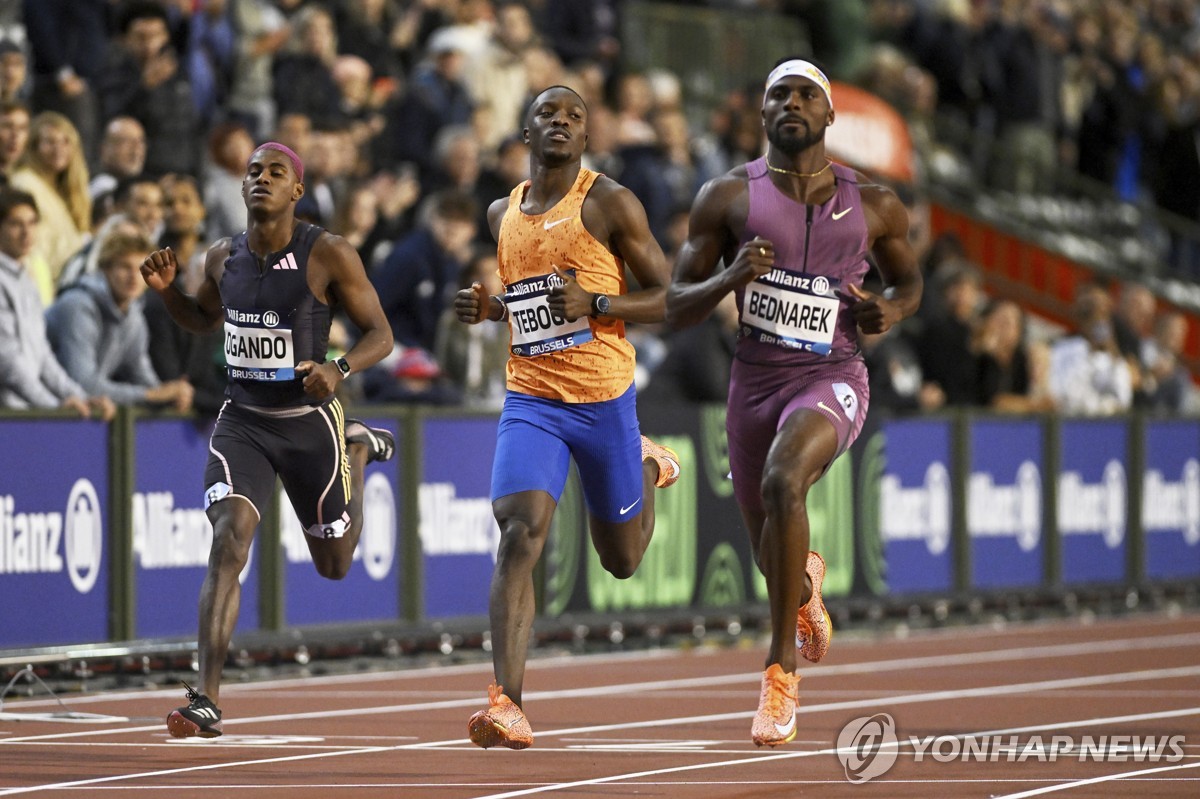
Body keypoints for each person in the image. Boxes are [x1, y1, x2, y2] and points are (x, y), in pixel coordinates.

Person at [664, 59, 922, 747]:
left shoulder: (876, 203)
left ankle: (779, 674)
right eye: (780, 93)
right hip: (752, 384)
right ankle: (804, 589)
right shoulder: (725, 198)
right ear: (762, 113)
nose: (793, 103)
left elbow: (909, 284)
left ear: (830, 115)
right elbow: (674, 307)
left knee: (785, 478)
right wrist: (728, 276)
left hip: (832, 375)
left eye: (808, 94)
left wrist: (888, 313)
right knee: (770, 550)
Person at [139, 141, 396, 739]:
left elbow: (381, 333)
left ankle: (357, 448)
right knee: (230, 541)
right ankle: (206, 696)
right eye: (253, 171)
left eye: (275, 172)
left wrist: (340, 370)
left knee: (333, 565)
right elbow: (204, 320)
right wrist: (168, 293)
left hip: (311, 425)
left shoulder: (328, 252)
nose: (260, 179)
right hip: (244, 423)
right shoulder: (221, 255)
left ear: (296, 192)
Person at [453, 85, 681, 750]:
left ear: (587, 136)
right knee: (520, 530)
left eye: (575, 115)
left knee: (623, 559)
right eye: (548, 113)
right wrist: (492, 310)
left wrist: (600, 301)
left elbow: (671, 297)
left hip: (604, 400)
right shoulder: (502, 210)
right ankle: (508, 702)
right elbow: (531, 304)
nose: (561, 121)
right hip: (531, 399)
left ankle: (646, 458)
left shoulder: (609, 202)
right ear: (525, 131)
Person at [45, 229, 193, 411]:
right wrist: (150, 396)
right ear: (105, 270)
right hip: (34, 408)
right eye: (125, 267)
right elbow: (83, 382)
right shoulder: (77, 305)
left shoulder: (134, 316)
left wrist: (171, 395)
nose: (134, 277)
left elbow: (143, 377)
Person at [0, 187, 114, 419]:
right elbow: (7, 362)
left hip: (24, 413)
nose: (26, 232)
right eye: (15, 224)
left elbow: (42, 354)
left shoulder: (27, 280)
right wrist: (52, 407)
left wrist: (79, 396)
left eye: (32, 223)